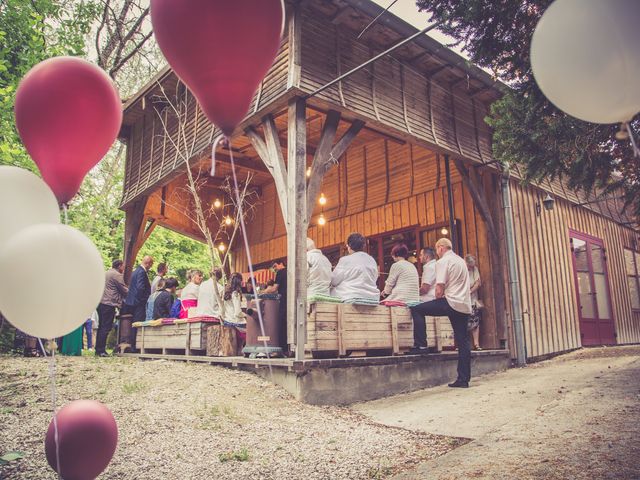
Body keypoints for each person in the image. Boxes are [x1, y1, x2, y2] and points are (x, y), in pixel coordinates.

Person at [409, 238, 472, 388]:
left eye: (437, 249)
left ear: (441, 248)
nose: (437, 252)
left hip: (450, 302)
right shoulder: (460, 261)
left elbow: (439, 289)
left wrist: (438, 297)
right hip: (464, 305)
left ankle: (421, 345)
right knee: (463, 342)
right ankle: (463, 379)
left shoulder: (443, 262)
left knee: (417, 309)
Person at [330, 233, 379, 301]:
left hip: (351, 295)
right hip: (372, 296)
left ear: (349, 246)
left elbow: (334, 281)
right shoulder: (372, 260)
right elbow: (375, 278)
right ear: (363, 246)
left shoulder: (345, 260)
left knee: (329, 290)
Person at [96, 259, 129, 357]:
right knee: (106, 327)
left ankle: (98, 349)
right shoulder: (116, 275)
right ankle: (101, 350)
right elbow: (124, 289)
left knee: (101, 327)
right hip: (109, 303)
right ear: (119, 266)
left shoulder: (106, 273)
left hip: (101, 302)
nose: (123, 268)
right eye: (123, 266)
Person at [263, 261, 287, 350]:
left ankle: (282, 348)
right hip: (291, 300)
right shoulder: (290, 271)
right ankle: (289, 349)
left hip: (283, 300)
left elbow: (274, 289)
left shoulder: (280, 272)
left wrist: (263, 292)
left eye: (274, 267)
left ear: (280, 263)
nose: (274, 269)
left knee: (281, 323)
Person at [466, 254, 482, 350]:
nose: (471, 268)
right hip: (462, 301)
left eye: (472, 266)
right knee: (463, 322)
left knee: (475, 322)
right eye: (470, 266)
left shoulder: (474, 269)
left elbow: (478, 282)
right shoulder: (462, 269)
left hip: (472, 300)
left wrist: (470, 291)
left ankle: (476, 344)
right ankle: (463, 344)